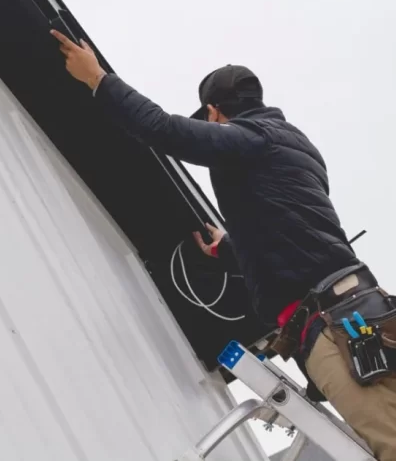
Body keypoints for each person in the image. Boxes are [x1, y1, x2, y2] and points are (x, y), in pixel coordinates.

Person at [50, 29, 396, 460]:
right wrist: (230, 246)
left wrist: (98, 79)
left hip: (333, 326)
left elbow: (164, 130)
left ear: (215, 113)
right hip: (366, 310)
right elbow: (288, 227)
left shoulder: (252, 137)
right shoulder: (296, 146)